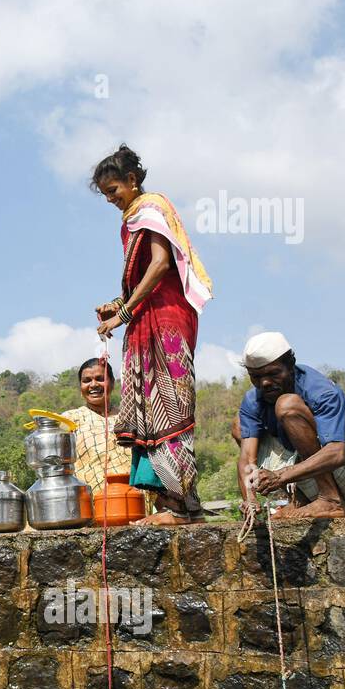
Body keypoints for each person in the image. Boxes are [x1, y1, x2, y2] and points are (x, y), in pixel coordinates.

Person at [91, 145, 213, 526]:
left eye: (114, 190)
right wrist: (119, 304)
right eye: (106, 194)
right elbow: (142, 277)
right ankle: (169, 502)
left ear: (132, 181)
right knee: (148, 406)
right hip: (146, 318)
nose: (111, 199)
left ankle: (180, 505)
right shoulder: (130, 219)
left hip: (167, 317)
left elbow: (160, 266)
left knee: (170, 402)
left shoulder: (152, 208)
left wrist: (124, 313)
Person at [233, 332, 345, 519]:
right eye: (256, 377)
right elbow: (247, 459)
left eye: (273, 373)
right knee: (240, 425)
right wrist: (250, 499)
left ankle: (330, 499)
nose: (265, 383)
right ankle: (299, 500)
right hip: (307, 479)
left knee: (287, 405)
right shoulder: (253, 399)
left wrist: (279, 476)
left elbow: (337, 453)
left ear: (290, 366)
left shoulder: (320, 390)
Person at [61, 357, 132, 495]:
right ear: (80, 387)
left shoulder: (129, 418)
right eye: (86, 381)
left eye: (100, 378)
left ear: (112, 382)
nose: (93, 385)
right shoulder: (69, 420)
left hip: (134, 503)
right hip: (89, 505)